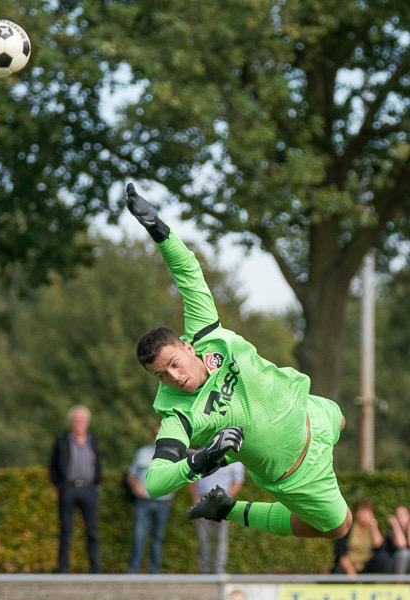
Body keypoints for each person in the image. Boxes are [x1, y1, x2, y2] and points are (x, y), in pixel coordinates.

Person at [125, 183, 352, 540]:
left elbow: (189, 275)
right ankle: (230, 510)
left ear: (186, 346)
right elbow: (154, 482)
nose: (173, 377)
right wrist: (202, 460)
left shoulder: (205, 332)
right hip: (296, 474)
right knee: (339, 527)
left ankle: (238, 462)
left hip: (313, 412)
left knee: (341, 419)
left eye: (173, 363)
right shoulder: (178, 414)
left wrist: (158, 228)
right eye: (161, 375)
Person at [50, 405, 102, 573]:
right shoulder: (62, 440)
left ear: (87, 422)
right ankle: (63, 568)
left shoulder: (93, 440)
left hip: (89, 489)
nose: (79, 423)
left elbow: (98, 463)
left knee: (92, 531)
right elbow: (52, 465)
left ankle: (95, 569)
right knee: (66, 530)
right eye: (76, 419)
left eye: (82, 420)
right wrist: (59, 485)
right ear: (70, 422)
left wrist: (97, 484)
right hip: (69, 489)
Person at [127, 425, 174, 573]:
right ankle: (134, 571)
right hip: (143, 501)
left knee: (158, 538)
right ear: (152, 436)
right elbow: (131, 474)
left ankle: (154, 572)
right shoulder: (142, 452)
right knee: (139, 537)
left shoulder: (174, 453)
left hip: (163, 502)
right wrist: (135, 487)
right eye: (156, 434)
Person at [189, 462, 244, 573]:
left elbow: (238, 482)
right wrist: (195, 499)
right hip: (202, 500)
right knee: (203, 539)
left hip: (222, 503)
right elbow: (192, 479)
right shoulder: (203, 453)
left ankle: (219, 571)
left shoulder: (235, 460)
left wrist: (225, 499)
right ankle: (205, 572)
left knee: (221, 539)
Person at [332, 501, 390, 574]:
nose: (364, 515)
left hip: (368, 566)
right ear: (356, 514)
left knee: (383, 558)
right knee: (339, 570)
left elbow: (380, 547)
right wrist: (351, 572)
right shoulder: (349, 528)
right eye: (362, 512)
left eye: (367, 512)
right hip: (349, 565)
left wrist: (374, 527)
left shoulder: (374, 528)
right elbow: (341, 552)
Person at [385, 505, 410, 574]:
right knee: (404, 553)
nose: (401, 517)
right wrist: (396, 525)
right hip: (392, 564)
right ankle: (399, 582)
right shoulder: (391, 530)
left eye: (404, 514)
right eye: (398, 515)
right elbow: (401, 545)